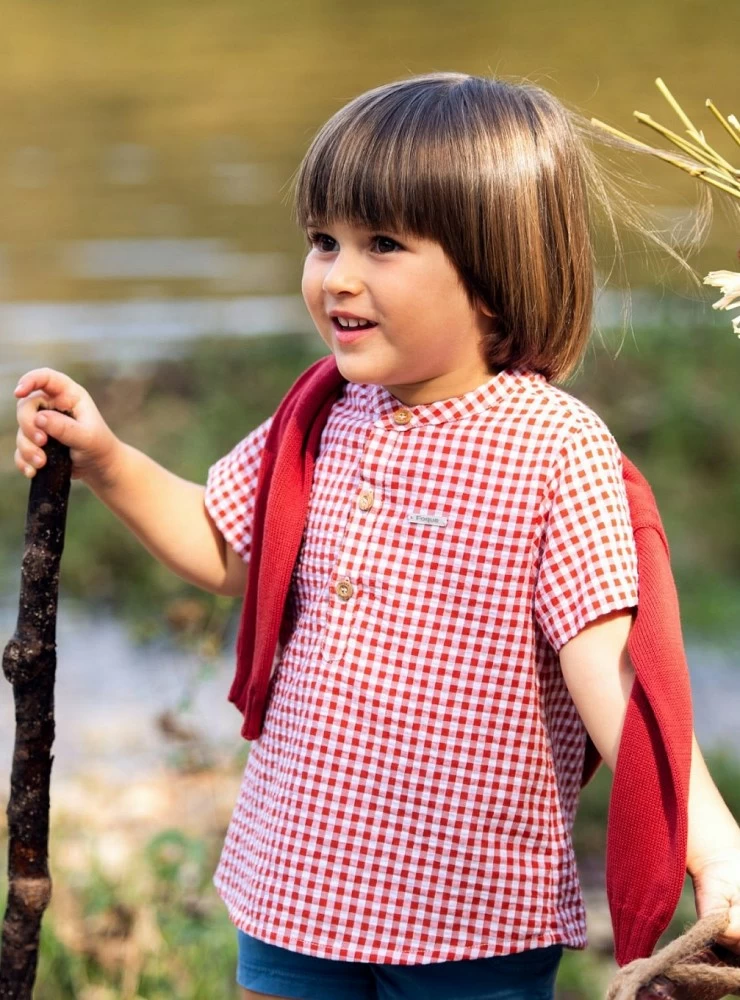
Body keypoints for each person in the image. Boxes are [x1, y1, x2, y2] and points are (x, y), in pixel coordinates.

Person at [13, 72, 740, 1000]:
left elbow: (618, 674)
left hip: (472, 913)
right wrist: (108, 458)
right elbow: (224, 545)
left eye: (383, 244)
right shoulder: (323, 415)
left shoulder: (554, 450)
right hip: (298, 885)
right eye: (323, 241)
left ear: (494, 272)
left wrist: (714, 847)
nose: (337, 276)